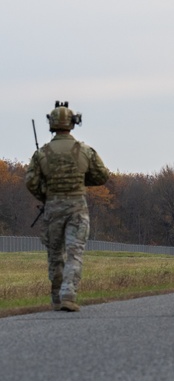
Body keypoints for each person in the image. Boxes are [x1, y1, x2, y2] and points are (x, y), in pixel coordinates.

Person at [25, 101, 110, 311]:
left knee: (55, 254)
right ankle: (68, 294)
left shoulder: (42, 153)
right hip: (77, 208)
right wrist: (81, 181)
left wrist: (45, 195)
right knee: (74, 252)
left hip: (52, 208)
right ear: (72, 123)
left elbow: (31, 182)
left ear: (52, 124)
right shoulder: (84, 150)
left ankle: (56, 297)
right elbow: (102, 175)